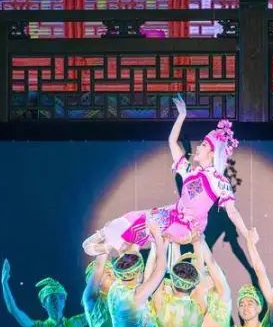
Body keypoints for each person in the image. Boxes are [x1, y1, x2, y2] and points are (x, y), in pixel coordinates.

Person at [82, 95, 249, 257]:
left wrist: (247, 234)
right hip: (172, 214)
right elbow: (172, 142)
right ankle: (104, 237)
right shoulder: (189, 171)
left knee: (147, 225)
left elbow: (232, 212)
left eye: (204, 145)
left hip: (189, 227)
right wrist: (182, 116)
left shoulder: (220, 182)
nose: (198, 147)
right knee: (135, 217)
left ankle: (111, 244)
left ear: (212, 154)